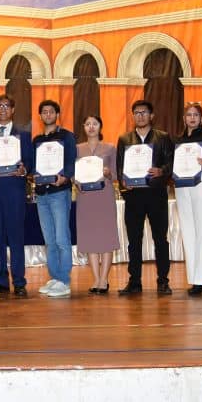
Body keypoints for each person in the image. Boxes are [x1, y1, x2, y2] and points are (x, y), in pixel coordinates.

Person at [115, 99, 173, 295]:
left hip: (156, 195)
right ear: (133, 116)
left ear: (151, 115)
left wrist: (161, 171)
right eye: (136, 113)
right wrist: (124, 183)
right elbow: (120, 167)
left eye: (144, 112)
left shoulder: (162, 137)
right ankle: (135, 282)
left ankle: (163, 280)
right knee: (134, 240)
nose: (140, 116)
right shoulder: (124, 139)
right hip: (134, 197)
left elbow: (171, 164)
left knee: (160, 239)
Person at [0, 94, 33, 296]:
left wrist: (24, 169)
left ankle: (19, 281)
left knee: (16, 236)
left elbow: (30, 161)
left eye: (6, 106)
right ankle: (0, 280)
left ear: (13, 110)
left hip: (15, 190)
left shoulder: (24, 135)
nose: (3, 109)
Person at [31, 100, 77, 298]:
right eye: (44, 112)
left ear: (57, 114)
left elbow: (71, 161)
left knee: (61, 238)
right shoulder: (37, 140)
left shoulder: (67, 136)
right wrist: (33, 173)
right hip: (42, 194)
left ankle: (64, 280)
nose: (48, 114)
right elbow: (34, 164)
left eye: (51, 111)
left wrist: (65, 176)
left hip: (59, 192)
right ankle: (55, 277)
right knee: (49, 240)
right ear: (40, 116)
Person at [173, 103, 202, 297]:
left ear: (201, 118)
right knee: (189, 232)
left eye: (196, 115)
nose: (192, 118)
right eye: (189, 115)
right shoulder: (178, 141)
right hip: (182, 187)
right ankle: (194, 278)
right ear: (184, 119)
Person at [74, 114, 118, 294]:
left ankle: (104, 279)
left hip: (104, 195)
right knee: (90, 238)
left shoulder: (110, 148)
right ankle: (96, 278)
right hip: (85, 197)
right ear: (83, 127)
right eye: (88, 124)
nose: (91, 127)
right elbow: (72, 173)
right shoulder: (77, 149)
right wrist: (75, 182)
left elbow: (116, 175)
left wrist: (108, 173)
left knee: (106, 238)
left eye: (95, 124)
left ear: (100, 126)